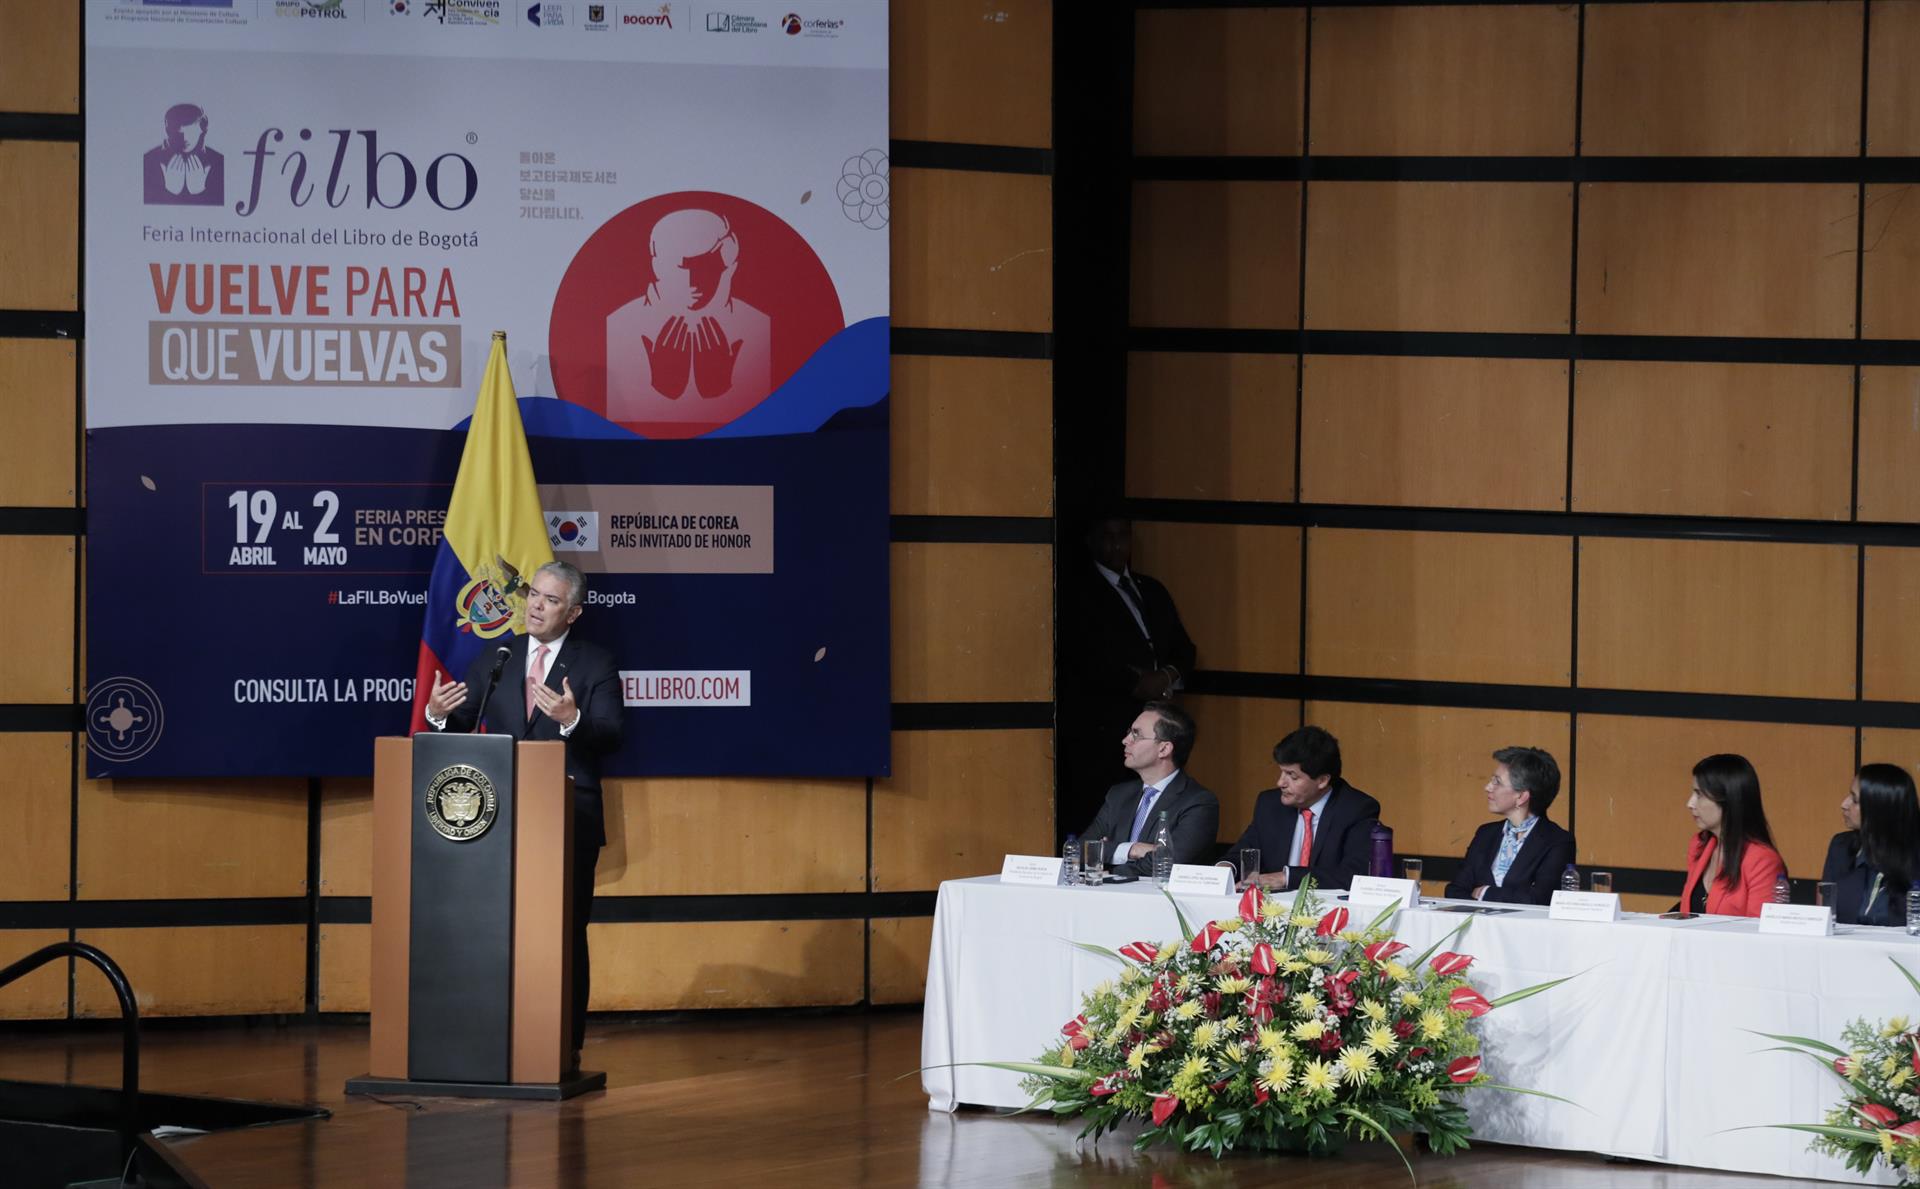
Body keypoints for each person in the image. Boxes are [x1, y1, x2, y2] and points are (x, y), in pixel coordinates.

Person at [425, 560, 624, 1070]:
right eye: (534, 594)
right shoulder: (500, 655)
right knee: (497, 929)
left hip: (568, 821)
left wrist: (572, 720)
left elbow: (611, 734)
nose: (536, 605)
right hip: (500, 822)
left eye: (551, 600)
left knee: (565, 932)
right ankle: (495, 1036)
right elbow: (464, 722)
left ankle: (565, 1045)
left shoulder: (595, 663)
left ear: (573, 613)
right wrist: (438, 714)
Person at [1057, 515, 1197, 844]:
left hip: (1158, 722)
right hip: (1103, 726)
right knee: (1104, 811)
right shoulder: (1078, 592)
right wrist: (1135, 684)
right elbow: (1083, 655)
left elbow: (1184, 649)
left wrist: (1165, 676)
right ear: (1091, 541)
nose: (1116, 544)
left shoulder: (1151, 589)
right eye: (1107, 536)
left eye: (1123, 535)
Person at [1218, 725, 1381, 891]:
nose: (1280, 783)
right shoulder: (1269, 804)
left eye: (1292, 776)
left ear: (1322, 780)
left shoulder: (1357, 809)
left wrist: (1286, 878)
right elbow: (1244, 852)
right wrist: (1224, 869)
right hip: (1272, 904)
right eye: (1282, 772)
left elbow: (1354, 875)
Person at [1076, 702, 1219, 876]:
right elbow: (1080, 850)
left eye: (1136, 734)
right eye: (1129, 732)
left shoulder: (1198, 802)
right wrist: (1132, 849)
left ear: (1164, 749)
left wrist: (1110, 864)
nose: (1125, 740)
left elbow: (1170, 862)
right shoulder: (1119, 795)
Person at [1444, 746, 1576, 905]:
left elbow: (1539, 900)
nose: (1488, 787)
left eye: (1497, 782)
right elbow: (1454, 891)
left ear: (1521, 796)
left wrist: (1485, 892)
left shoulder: (1558, 841)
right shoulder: (1485, 833)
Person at [1677, 753, 1786, 917]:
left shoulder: (1762, 861)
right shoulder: (1699, 844)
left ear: (1728, 799)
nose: (1690, 803)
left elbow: (1761, 929)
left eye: (1699, 794)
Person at [1821, 764, 1920, 927]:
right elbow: (1824, 917)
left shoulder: (1915, 859)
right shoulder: (1841, 847)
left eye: (1855, 800)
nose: (1844, 804)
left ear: (1881, 809)